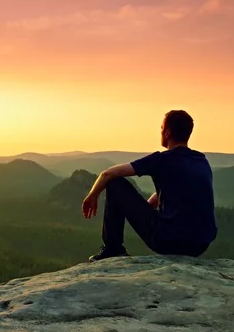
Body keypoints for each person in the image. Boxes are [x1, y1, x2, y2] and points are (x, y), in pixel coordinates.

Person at [82, 110, 217, 262]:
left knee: (115, 184)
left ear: (167, 133)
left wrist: (92, 196)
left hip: (168, 241)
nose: (160, 132)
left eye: (161, 128)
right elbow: (179, 188)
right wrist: (142, 211)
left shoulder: (161, 159)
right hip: (200, 244)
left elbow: (108, 174)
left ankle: (113, 249)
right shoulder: (201, 160)